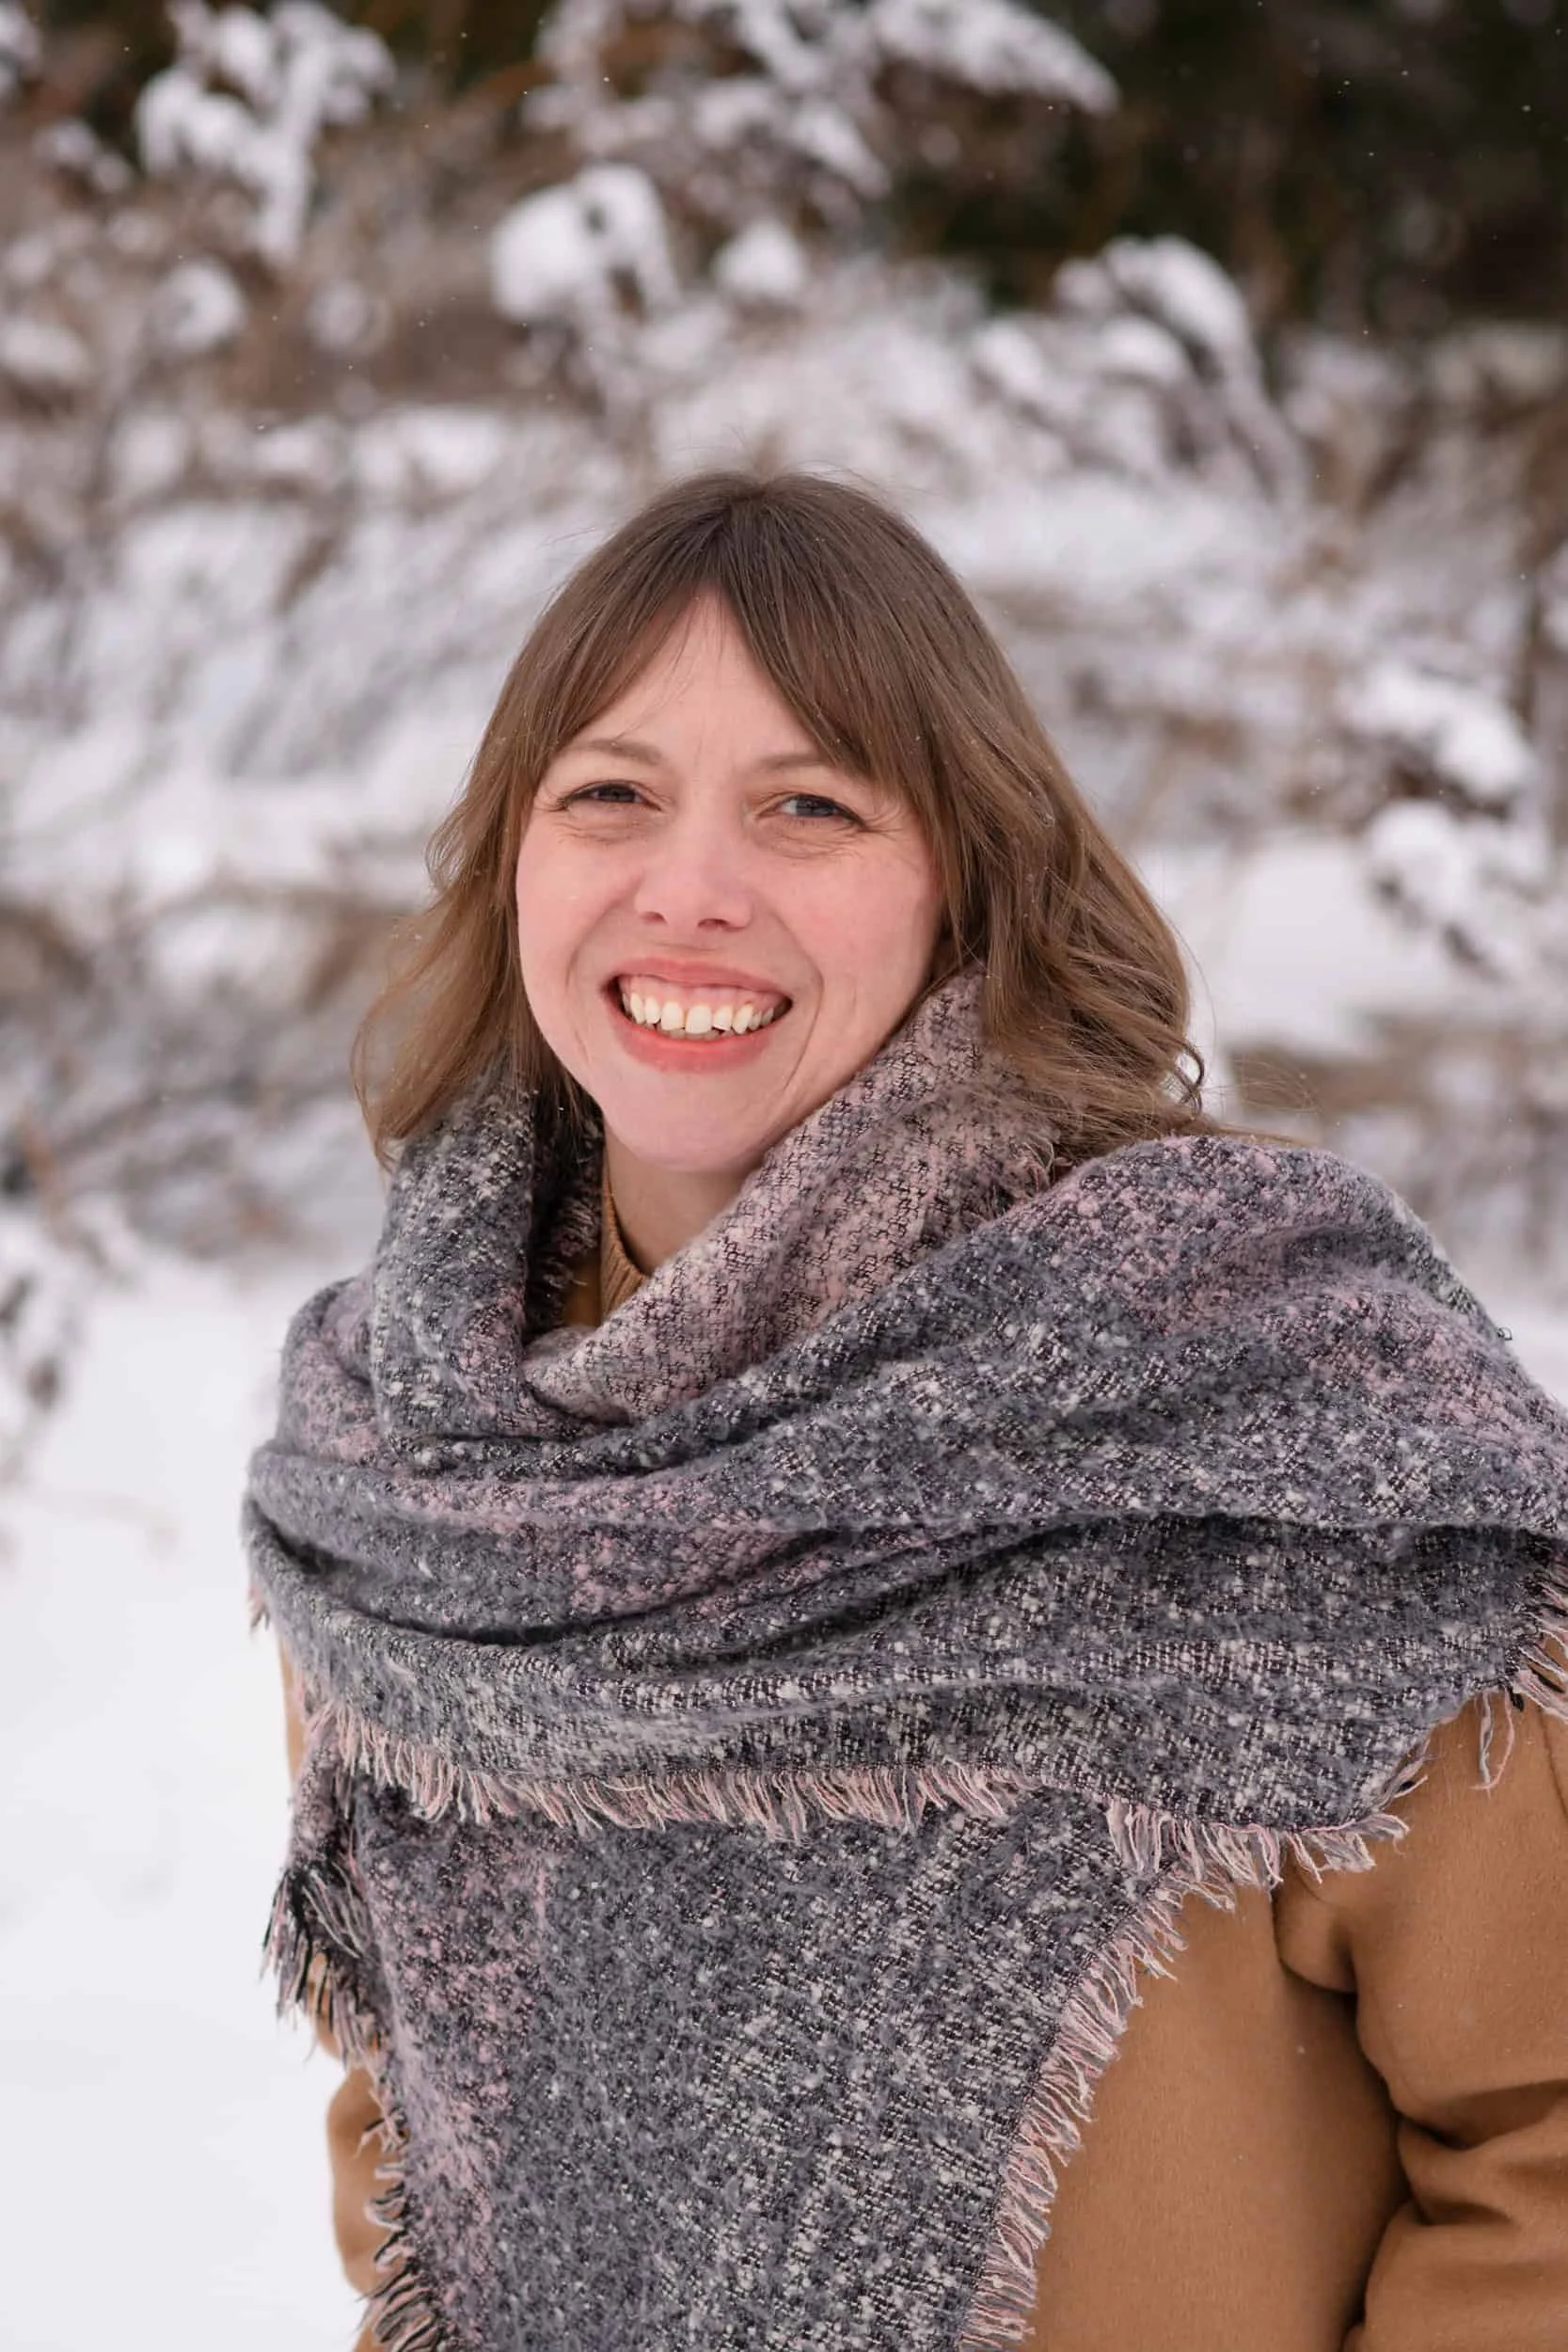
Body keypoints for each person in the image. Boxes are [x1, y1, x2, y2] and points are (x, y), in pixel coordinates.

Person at [248, 469, 1568, 2352]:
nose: (688, 887)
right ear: (513, 861)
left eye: (807, 805)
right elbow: (420, 2139)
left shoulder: (1260, 1403)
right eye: (608, 792)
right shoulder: (413, 1478)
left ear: (962, 876)